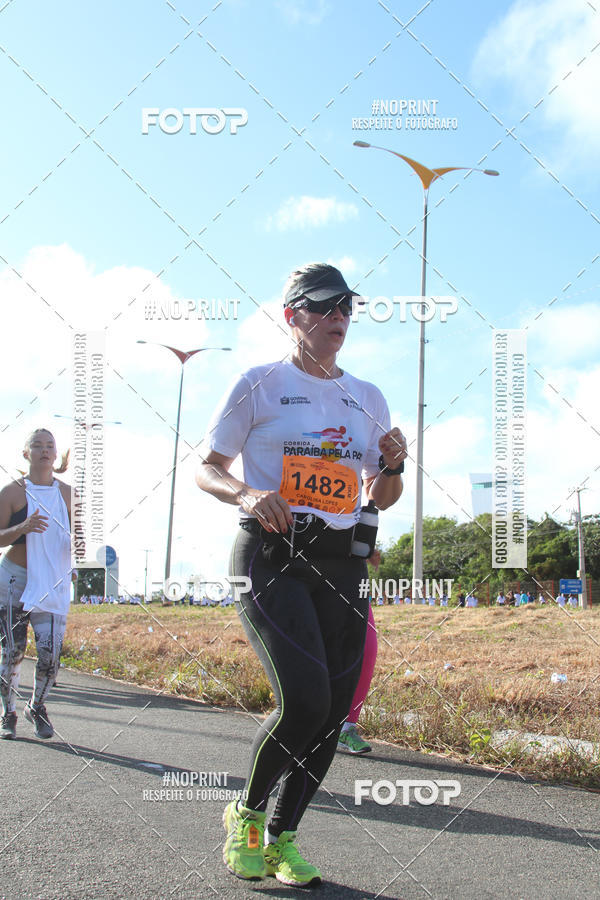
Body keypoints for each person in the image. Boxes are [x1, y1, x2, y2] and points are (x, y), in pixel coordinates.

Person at [196, 262, 405, 886]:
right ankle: (247, 815)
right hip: (273, 556)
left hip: (342, 565)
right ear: (294, 316)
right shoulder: (257, 383)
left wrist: (394, 466)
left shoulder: (367, 396)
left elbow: (384, 494)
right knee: (305, 699)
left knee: (335, 709)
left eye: (348, 307)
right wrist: (244, 495)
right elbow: (206, 467)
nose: (340, 317)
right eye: (326, 306)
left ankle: (284, 838)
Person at [0, 428, 73, 740]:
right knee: (12, 651)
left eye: (50, 446)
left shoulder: (69, 494)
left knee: (50, 653)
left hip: (52, 582)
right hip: (14, 579)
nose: (44, 450)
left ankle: (36, 706)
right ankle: (9, 713)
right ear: (26, 453)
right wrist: (23, 527)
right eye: (37, 445)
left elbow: (79, 537)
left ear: (56, 455)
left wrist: (76, 556)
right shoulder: (12, 492)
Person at [338, 548, 381, 756]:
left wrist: (367, 545)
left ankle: (347, 728)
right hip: (304, 562)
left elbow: (366, 514)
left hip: (351, 566)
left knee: (367, 647)